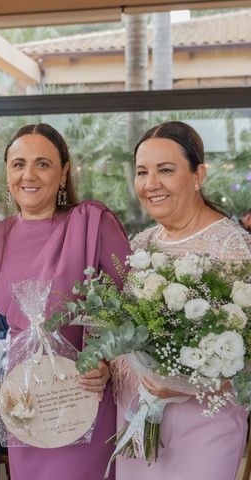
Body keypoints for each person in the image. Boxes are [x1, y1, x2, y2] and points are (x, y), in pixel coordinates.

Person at [0, 124, 131, 480]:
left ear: (63, 172)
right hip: (24, 400)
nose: (28, 174)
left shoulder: (91, 222)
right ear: (7, 173)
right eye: (18, 164)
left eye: (42, 164)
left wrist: (105, 360)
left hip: (82, 392)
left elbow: (133, 306)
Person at [113, 121, 251, 480]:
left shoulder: (232, 246)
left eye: (166, 170)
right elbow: (120, 334)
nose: (151, 183)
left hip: (205, 423)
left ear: (198, 174)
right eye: (142, 172)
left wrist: (189, 378)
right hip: (138, 416)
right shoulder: (139, 246)